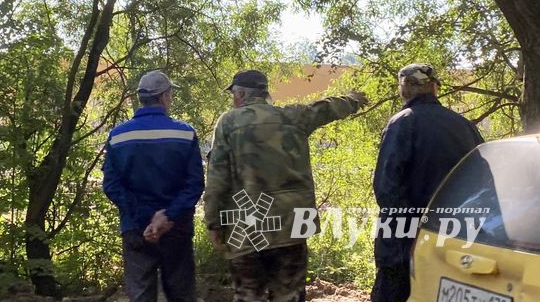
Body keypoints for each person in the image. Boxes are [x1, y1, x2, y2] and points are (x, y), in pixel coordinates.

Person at [204, 69, 366, 302]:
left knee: (249, 294)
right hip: (292, 224)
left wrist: (214, 222)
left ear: (239, 95)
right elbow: (325, 109)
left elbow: (217, 177)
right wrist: (353, 100)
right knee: (289, 295)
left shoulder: (228, 122)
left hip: (247, 226)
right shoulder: (293, 116)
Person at [371, 63, 484, 302]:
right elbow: (484, 183)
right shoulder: (465, 126)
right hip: (456, 241)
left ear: (403, 89)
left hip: (405, 245)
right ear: (434, 88)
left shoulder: (402, 122)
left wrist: (406, 238)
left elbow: (386, 187)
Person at [102, 70, 204, 302]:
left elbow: (111, 185)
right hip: (175, 229)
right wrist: (166, 217)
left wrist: (145, 217)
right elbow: (195, 184)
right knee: (182, 295)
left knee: (140, 296)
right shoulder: (185, 133)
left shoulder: (118, 136)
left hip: (136, 229)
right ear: (164, 97)